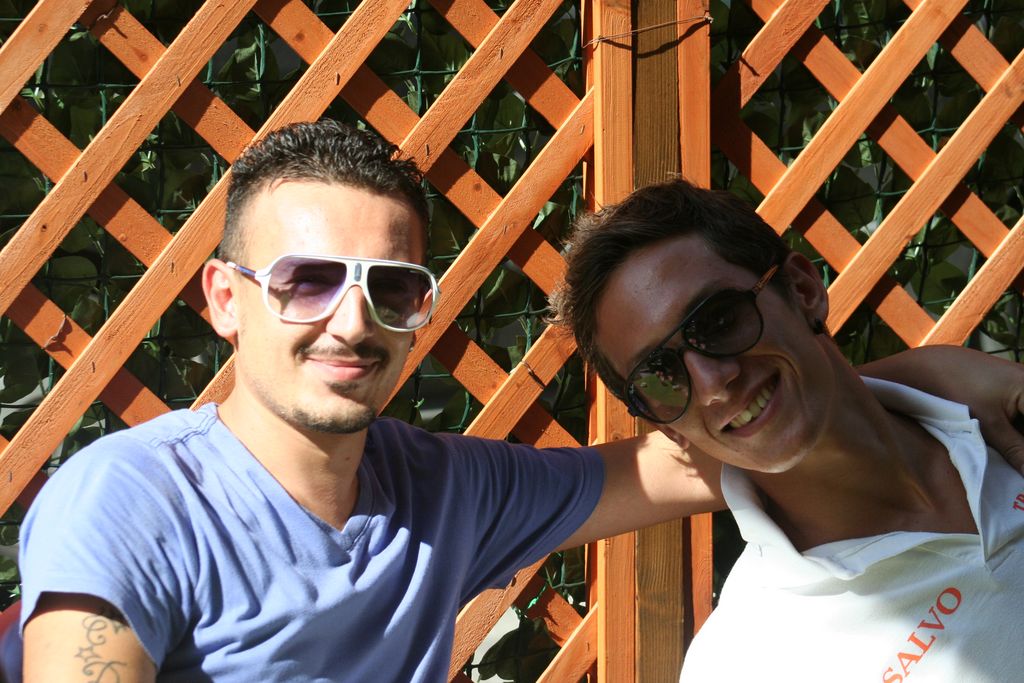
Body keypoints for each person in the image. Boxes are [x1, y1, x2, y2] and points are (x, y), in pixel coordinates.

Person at [8, 123, 1021, 683]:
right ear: (225, 300)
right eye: (305, 281)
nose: (351, 321)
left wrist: (946, 378)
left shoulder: (439, 491)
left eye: (391, 287)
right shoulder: (133, 499)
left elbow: (720, 432)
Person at [550, 178, 1024, 682]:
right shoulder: (746, 665)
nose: (712, 384)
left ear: (803, 290)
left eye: (716, 320)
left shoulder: (1003, 413)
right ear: (663, 427)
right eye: (659, 375)